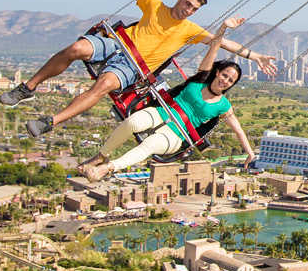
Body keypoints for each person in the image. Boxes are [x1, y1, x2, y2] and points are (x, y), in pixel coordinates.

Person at [2, 0, 275, 139]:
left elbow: (224, 43)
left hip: (133, 67)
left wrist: (256, 56)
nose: (188, 10)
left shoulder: (191, 30)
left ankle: (51, 121)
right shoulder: (153, 5)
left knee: (104, 85)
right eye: (188, 3)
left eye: (194, 9)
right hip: (119, 43)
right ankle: (29, 87)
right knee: (77, 48)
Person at [77, 22, 256, 179]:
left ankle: (107, 168)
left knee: (150, 145)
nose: (225, 80)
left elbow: (239, 131)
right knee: (132, 122)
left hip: (177, 134)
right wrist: (223, 27)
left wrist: (249, 153)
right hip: (163, 112)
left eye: (230, 80)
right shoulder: (201, 78)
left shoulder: (223, 105)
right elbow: (214, 46)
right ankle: (101, 156)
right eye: (225, 75)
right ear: (218, 72)